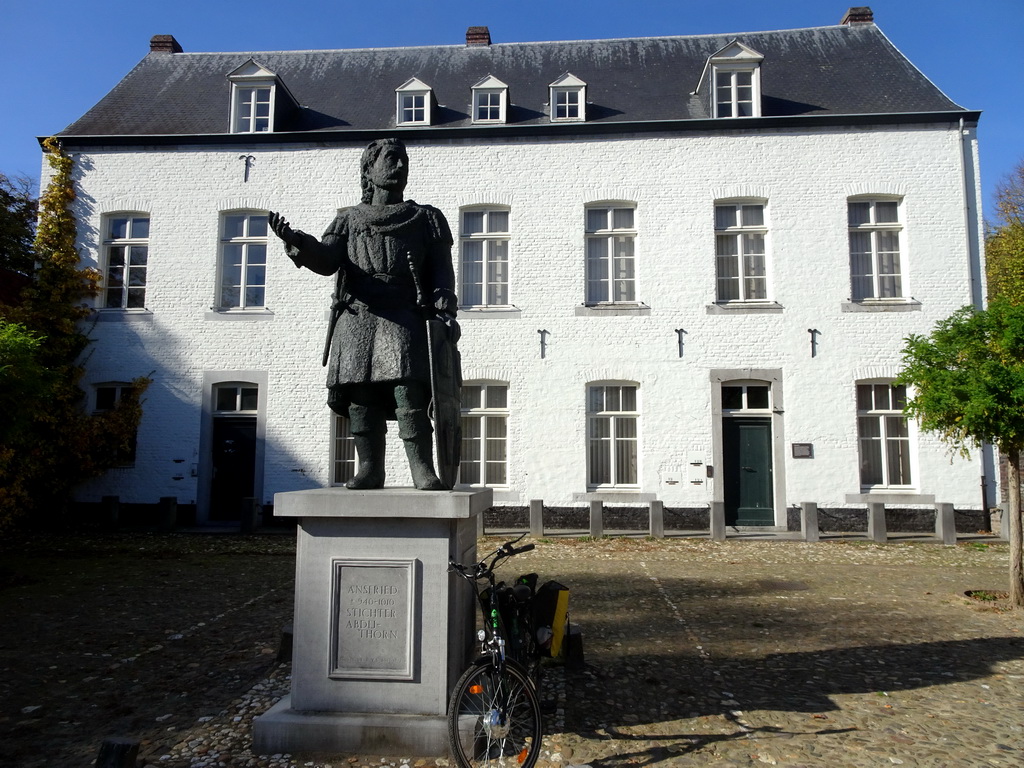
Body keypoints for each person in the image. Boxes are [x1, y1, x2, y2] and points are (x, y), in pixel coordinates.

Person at [269, 138, 457, 490]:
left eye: (403, 159)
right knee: (362, 398)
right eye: (390, 159)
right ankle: (370, 467)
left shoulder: (425, 218)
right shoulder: (347, 220)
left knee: (409, 394)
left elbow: (442, 274)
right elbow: (327, 260)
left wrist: (445, 308)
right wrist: (297, 241)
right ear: (369, 169)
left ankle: (422, 468)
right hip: (358, 317)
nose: (399, 166)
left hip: (404, 315)